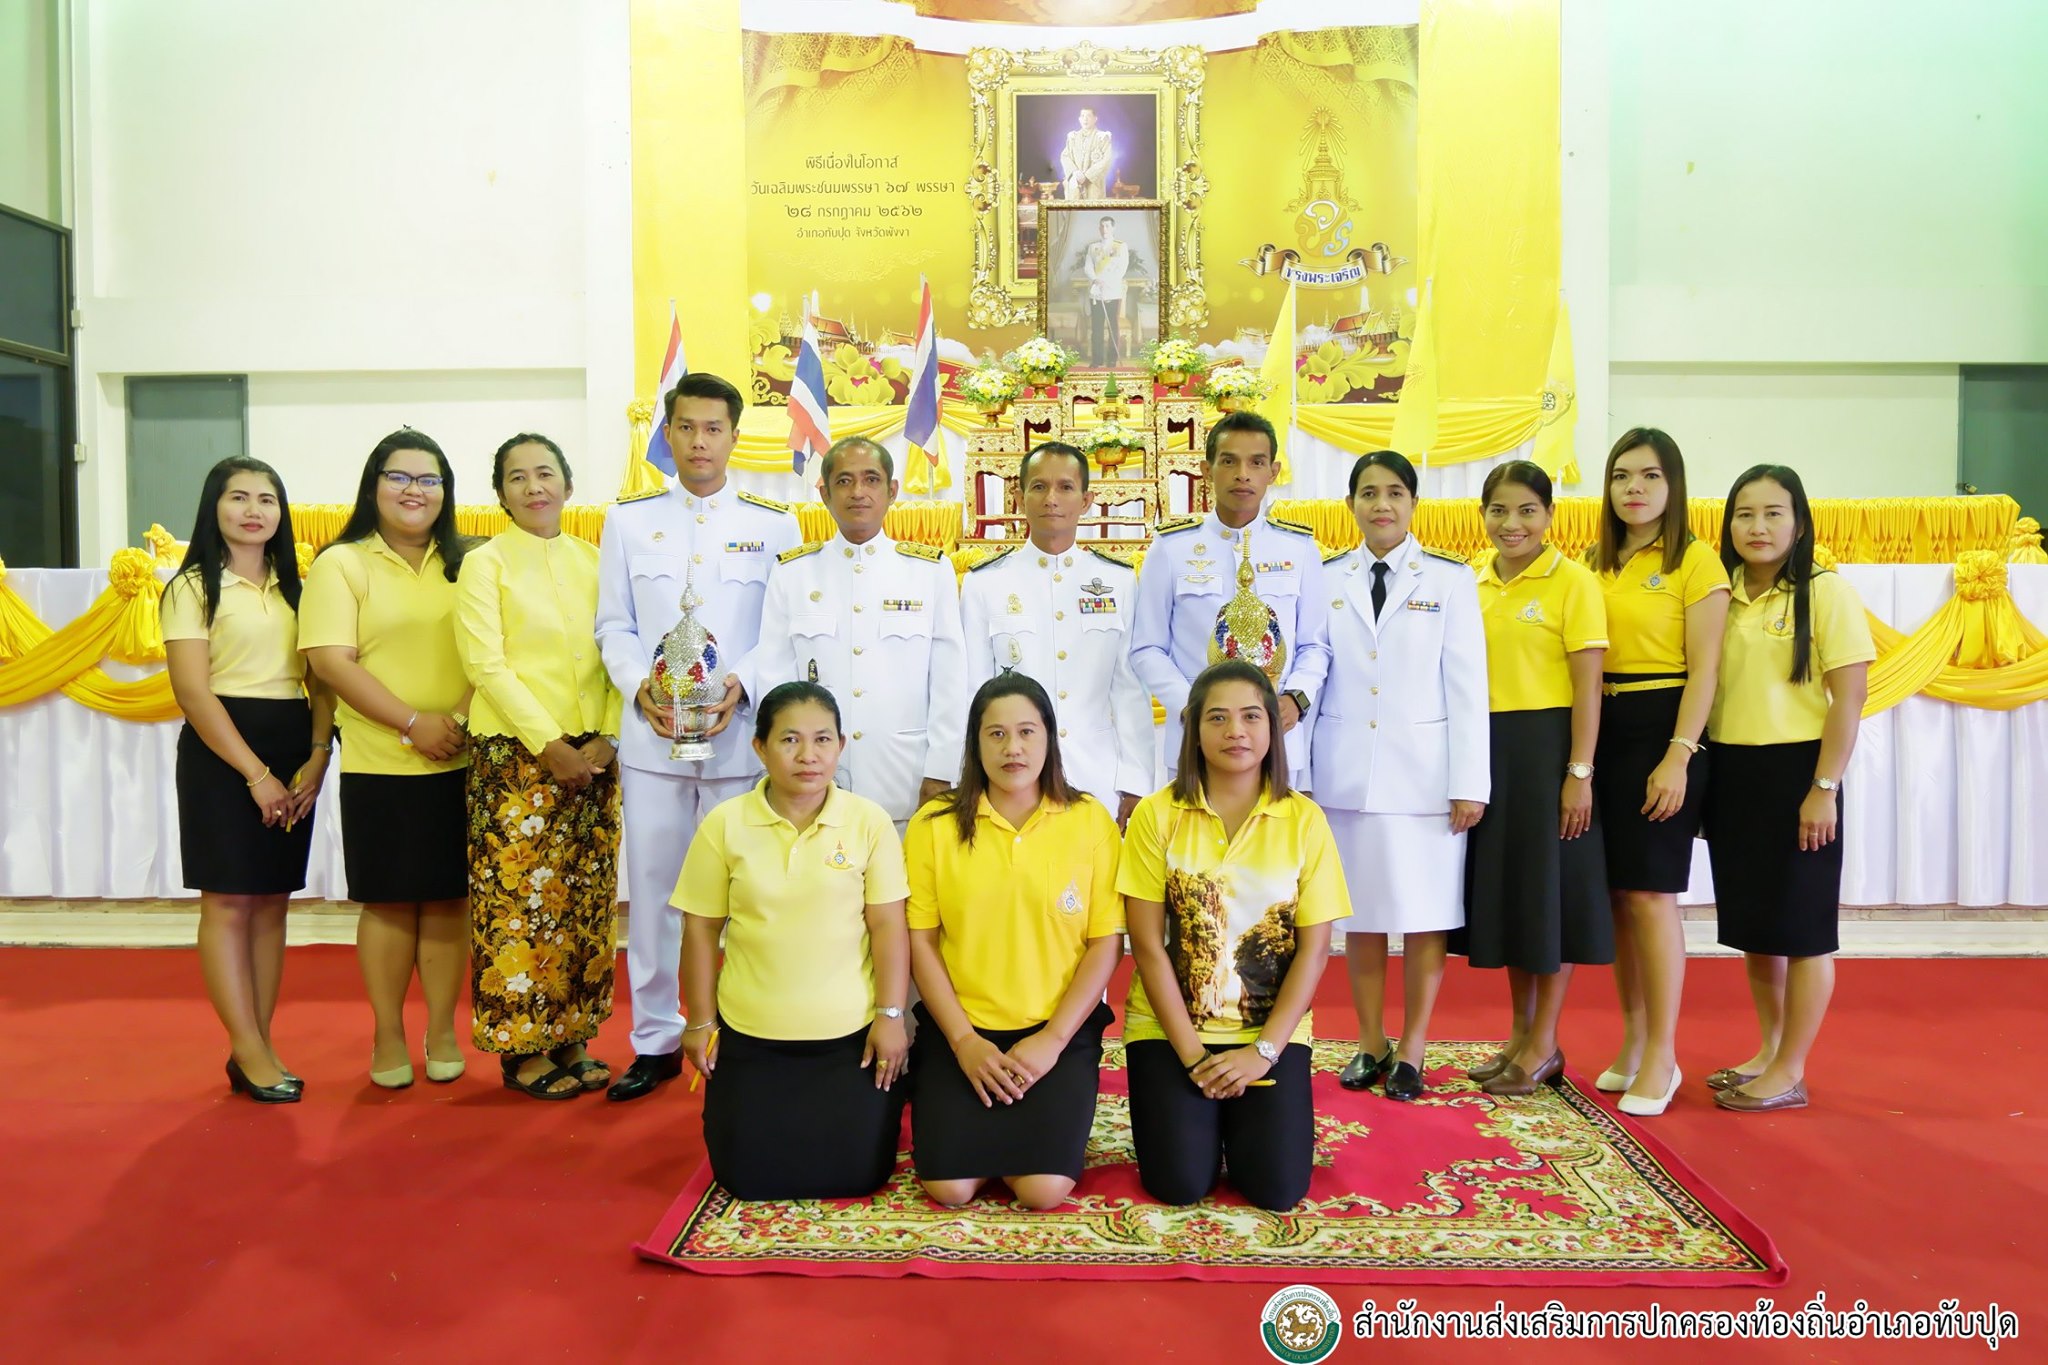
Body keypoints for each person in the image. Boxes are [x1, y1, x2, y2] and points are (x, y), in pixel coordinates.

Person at [595, 373, 802, 1102]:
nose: (700, 441)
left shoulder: (776, 523)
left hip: (737, 733)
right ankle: (653, 1036)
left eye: (713, 428)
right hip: (654, 738)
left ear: (735, 436)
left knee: (744, 892)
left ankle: (740, 1024)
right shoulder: (627, 520)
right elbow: (613, 625)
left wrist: (741, 683)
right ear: (668, 433)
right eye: (685, 427)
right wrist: (639, 686)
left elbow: (782, 628)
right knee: (654, 892)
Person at [1120, 660, 1348, 1211]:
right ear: (1193, 730)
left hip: (1266, 1032)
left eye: (1250, 717)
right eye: (1217, 718)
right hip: (1171, 1029)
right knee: (1178, 1185)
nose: (1235, 732)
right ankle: (1201, 1118)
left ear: (1273, 727)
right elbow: (1147, 945)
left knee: (1277, 1189)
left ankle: (1239, 1116)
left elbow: (1314, 949)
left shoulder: (1304, 820)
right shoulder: (1157, 815)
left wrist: (1264, 1052)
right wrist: (1195, 1055)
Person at [675, 681, 911, 1199]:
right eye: (789, 740)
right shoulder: (724, 824)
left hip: (850, 1041)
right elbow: (700, 929)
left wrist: (891, 1016)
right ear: (760, 747)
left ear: (841, 746)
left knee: (858, 1176)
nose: (809, 756)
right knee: (746, 1180)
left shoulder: (868, 822)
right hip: (751, 1035)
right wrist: (699, 1021)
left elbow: (889, 925)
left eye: (823, 740)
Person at [905, 675, 1123, 1210]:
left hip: (1056, 1031)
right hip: (962, 1030)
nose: (1013, 748)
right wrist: (963, 1041)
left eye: (1027, 731)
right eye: (996, 734)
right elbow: (920, 942)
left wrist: (1050, 1040)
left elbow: (1104, 944)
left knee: (1043, 1189)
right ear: (975, 745)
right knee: (948, 1189)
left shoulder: (1090, 820)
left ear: (1049, 737)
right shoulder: (934, 825)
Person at [301, 431, 475, 1090]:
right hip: (382, 758)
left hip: (461, 755)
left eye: (428, 479)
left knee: (448, 899)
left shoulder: (469, 562)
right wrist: (411, 721)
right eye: (399, 477)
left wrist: (454, 720)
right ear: (374, 486)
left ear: (446, 492)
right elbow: (329, 660)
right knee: (391, 902)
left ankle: (439, 1028)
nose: (413, 490)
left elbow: (490, 650)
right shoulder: (342, 563)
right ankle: (387, 1030)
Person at [1312, 451, 1488, 1102]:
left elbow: (1468, 685)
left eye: (1393, 493)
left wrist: (1470, 780)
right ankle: (1369, 1040)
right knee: (1358, 916)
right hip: (1346, 775)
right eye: (1367, 493)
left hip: (1426, 781)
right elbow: (1314, 672)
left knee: (1423, 916)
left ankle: (1413, 1045)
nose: (1380, 504)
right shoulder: (1326, 577)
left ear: (1414, 503)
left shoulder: (1449, 579)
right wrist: (1301, 772)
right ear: (1350, 504)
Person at [454, 434, 623, 1100]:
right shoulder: (485, 564)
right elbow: (485, 665)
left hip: (592, 757)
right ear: (500, 492)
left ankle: (574, 1036)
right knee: (520, 907)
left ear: (568, 485)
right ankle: (523, 1049)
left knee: (582, 907)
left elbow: (618, 650)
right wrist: (548, 743)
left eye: (545, 473)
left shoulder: (594, 560)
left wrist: (608, 735)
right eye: (517, 477)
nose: (533, 487)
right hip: (518, 762)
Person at [162, 456, 334, 1103]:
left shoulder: (299, 587)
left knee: (271, 902)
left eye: (268, 498)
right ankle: (249, 1046)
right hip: (223, 750)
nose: (255, 509)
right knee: (230, 900)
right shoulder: (191, 587)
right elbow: (193, 693)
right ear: (215, 506)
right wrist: (257, 774)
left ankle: (258, 1044)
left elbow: (322, 678)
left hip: (293, 745)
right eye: (239, 497)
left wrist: (318, 753)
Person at [1704, 465, 1872, 1114]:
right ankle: (1768, 1051)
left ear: (1799, 522)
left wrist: (1823, 786)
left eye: (1774, 513)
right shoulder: (1722, 591)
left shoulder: (1826, 593)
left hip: (1800, 772)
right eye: (1745, 514)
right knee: (1756, 927)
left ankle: (1792, 1067)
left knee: (1803, 929)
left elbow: (1849, 699)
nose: (1759, 527)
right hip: (1735, 774)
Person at [1453, 460, 1612, 1097]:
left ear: (1550, 516)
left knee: (1551, 900)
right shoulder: (1471, 582)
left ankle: (1545, 1040)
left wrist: (1579, 772)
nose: (1510, 523)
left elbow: (1588, 687)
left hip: (1549, 752)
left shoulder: (1573, 583)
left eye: (1526, 510)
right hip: (1490, 753)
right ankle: (1520, 1036)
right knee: (1514, 899)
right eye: (1498, 510)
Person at [1587, 429, 1729, 1117]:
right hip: (1604, 726)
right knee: (1618, 896)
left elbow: (1706, 667)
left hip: (1663, 724)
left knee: (1651, 896)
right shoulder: (1595, 561)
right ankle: (1635, 1039)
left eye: (1648, 475)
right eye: (1621, 476)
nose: (1633, 488)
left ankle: (1665, 1053)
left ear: (1673, 485)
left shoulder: (1695, 562)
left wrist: (1679, 752)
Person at [753, 435, 968, 829]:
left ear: (892, 491)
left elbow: (950, 683)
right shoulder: (792, 574)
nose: (858, 492)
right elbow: (774, 680)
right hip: (813, 778)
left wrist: (941, 770)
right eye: (844, 481)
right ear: (824, 493)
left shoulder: (929, 571)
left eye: (871, 479)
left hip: (904, 776)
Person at [1129, 411, 1330, 785]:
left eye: (1256, 462)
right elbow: (1147, 648)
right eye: (1229, 461)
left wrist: (1296, 700)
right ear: (1207, 470)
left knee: (1277, 841)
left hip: (1278, 736)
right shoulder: (1172, 548)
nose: (1243, 474)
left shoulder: (1299, 548)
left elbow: (1315, 644)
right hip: (1195, 737)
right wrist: (1193, 706)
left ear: (1274, 471)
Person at [958, 441, 1151, 823]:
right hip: (1013, 776)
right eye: (1039, 487)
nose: (1051, 499)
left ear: (1086, 500)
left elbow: (1129, 689)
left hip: (1098, 773)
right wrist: (973, 777)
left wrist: (1135, 781)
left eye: (1065, 487)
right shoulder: (985, 583)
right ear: (1019, 497)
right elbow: (973, 690)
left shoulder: (1119, 580)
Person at [1083, 216, 1129, 366]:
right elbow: (1088, 266)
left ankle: (1112, 359)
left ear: (1113, 228)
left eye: (1108, 226)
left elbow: (1121, 269)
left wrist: (1107, 282)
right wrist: (1095, 279)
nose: (1104, 229)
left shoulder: (1120, 246)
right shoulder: (1093, 247)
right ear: (1099, 228)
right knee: (1096, 327)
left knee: (1112, 327)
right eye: (1102, 226)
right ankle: (1096, 360)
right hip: (1096, 292)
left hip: (1112, 292)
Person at [1060, 105, 1112, 200]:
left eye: (1088, 116)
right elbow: (1065, 156)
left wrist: (1087, 176)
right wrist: (1075, 172)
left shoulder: (1102, 138)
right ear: (1079, 119)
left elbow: (1106, 160)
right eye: (1083, 116)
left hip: (1094, 185)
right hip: (1075, 184)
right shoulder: (1073, 137)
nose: (1085, 119)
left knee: (1093, 213)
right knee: (1074, 212)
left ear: (1095, 118)